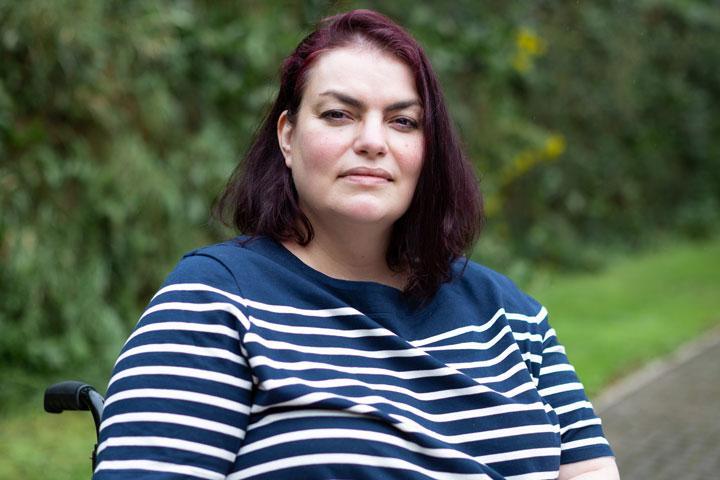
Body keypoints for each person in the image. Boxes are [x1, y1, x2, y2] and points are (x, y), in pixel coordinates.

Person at [93, 9, 619, 480]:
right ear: (288, 136)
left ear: (425, 150)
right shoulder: (215, 302)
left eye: (403, 121)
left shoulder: (509, 315)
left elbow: (591, 469)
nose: (372, 140)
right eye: (338, 114)